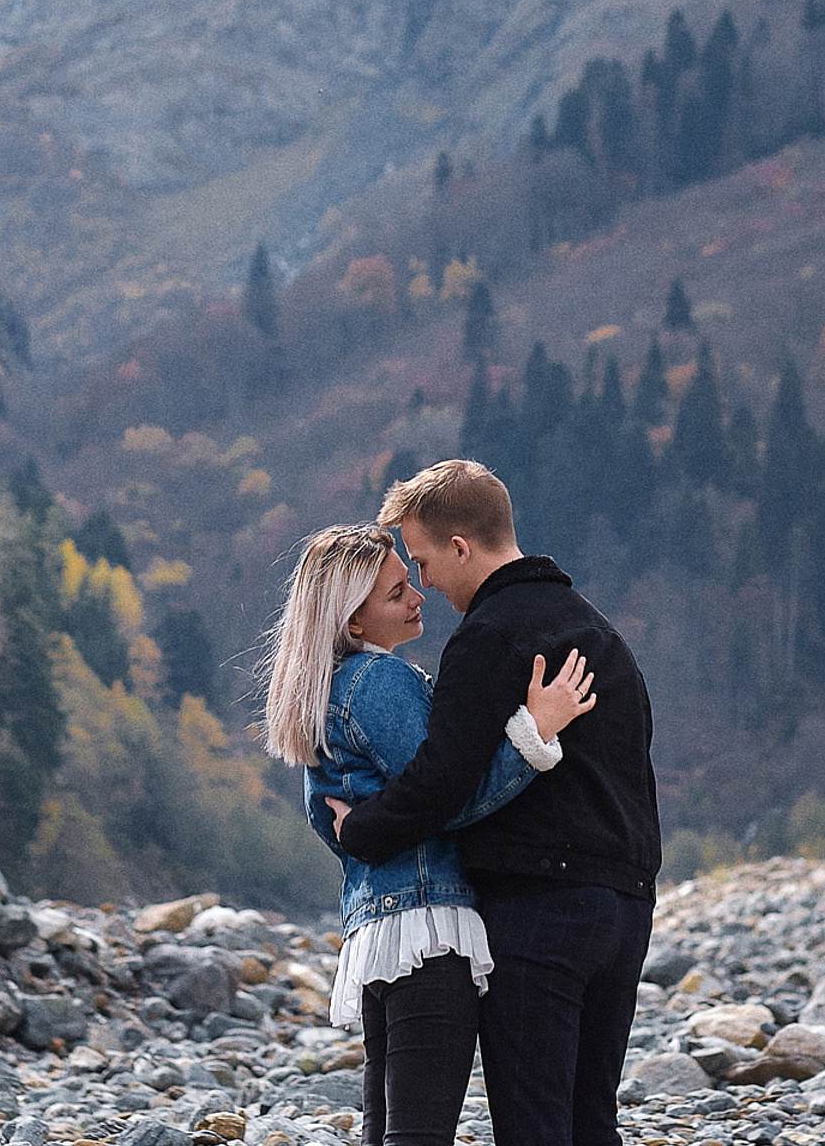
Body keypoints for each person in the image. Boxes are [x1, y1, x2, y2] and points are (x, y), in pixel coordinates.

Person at [329, 460, 661, 1146]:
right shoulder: (601, 633)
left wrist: (360, 832)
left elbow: (438, 785)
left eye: (422, 561)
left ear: (460, 547)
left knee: (534, 1127)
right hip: (627, 906)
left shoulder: (488, 637)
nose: (423, 582)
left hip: (540, 908)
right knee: (592, 1121)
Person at [263, 522, 597, 1146]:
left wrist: (364, 830)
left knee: (386, 1130)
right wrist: (536, 734)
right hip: (430, 930)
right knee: (420, 1134)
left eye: (409, 579)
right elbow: (448, 799)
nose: (417, 594)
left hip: (376, 930)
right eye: (395, 593)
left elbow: (327, 815)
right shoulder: (381, 682)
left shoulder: (320, 694)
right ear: (353, 623)